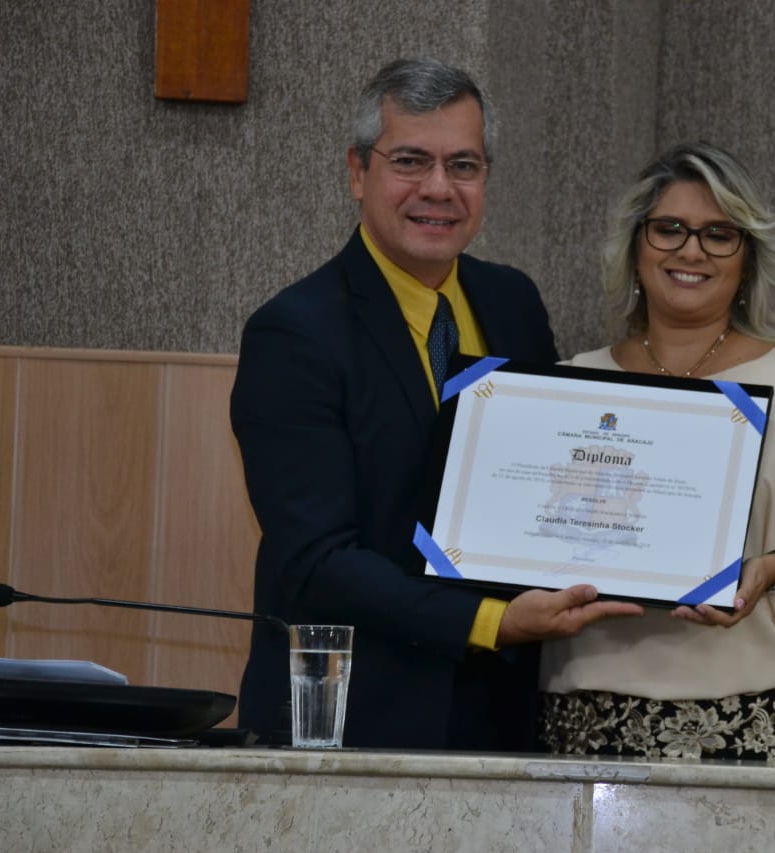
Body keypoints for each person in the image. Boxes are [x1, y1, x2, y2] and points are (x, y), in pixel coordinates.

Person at [231, 58, 641, 750]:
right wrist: (492, 621)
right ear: (358, 172)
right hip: (352, 723)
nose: (438, 189)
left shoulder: (513, 303)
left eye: (464, 165)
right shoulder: (296, 332)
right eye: (411, 161)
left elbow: (543, 489)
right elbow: (318, 560)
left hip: (500, 718)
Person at [538, 142, 775, 764]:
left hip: (767, 716)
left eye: (719, 235)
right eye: (669, 230)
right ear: (636, 247)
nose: (691, 250)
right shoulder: (573, 383)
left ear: (748, 261)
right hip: (591, 717)